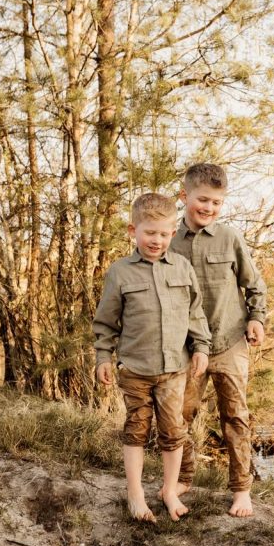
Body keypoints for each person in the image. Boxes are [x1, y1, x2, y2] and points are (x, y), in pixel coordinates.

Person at [93, 193, 210, 523]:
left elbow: (195, 313)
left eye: (163, 234)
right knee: (136, 430)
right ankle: (135, 495)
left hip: (174, 369)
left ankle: (170, 491)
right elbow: (106, 322)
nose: (156, 240)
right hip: (135, 369)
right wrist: (103, 357)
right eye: (149, 233)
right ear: (133, 231)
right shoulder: (120, 273)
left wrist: (201, 347)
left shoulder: (182, 268)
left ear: (173, 233)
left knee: (173, 432)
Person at [168, 163, 267, 518]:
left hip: (229, 341)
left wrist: (256, 317)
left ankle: (241, 490)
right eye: (203, 200)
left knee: (235, 416)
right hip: (186, 346)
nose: (209, 208)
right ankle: (183, 477)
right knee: (179, 414)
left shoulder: (230, 238)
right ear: (184, 196)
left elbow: (254, 285)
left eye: (216, 202)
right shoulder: (169, 240)